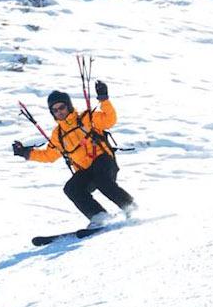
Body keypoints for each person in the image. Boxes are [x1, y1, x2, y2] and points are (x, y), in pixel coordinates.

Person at [12, 81, 136, 226]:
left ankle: (131, 207)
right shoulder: (58, 134)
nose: (59, 112)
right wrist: (26, 153)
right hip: (86, 171)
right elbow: (49, 155)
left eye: (62, 107)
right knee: (71, 188)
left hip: (104, 162)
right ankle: (99, 217)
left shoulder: (87, 118)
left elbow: (109, 120)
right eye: (55, 110)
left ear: (68, 106)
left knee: (101, 179)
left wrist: (104, 99)